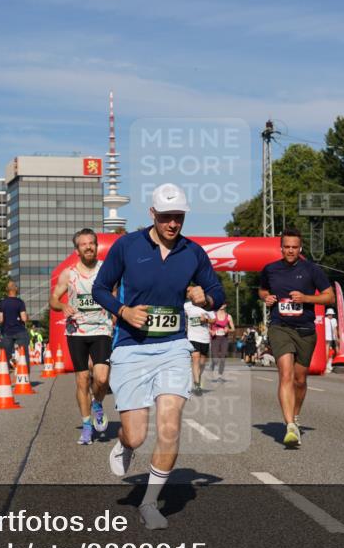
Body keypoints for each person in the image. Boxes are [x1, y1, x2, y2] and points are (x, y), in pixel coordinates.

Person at [92, 183, 225, 529]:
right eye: (166, 217)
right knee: (136, 435)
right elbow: (99, 289)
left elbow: (217, 292)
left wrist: (205, 298)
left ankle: (150, 503)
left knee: (170, 426)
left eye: (178, 217)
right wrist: (123, 311)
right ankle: (125, 445)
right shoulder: (127, 246)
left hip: (173, 347)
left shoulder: (193, 252)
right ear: (152, 214)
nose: (172, 224)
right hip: (132, 348)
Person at [259, 228, 334, 447]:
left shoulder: (311, 269)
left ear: (300, 248)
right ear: (280, 248)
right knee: (285, 374)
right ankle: (290, 425)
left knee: (300, 380)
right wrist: (267, 297)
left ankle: (296, 415)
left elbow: (328, 297)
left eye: (294, 247)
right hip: (280, 327)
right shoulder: (270, 269)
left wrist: (306, 298)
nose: (290, 251)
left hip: (305, 330)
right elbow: (262, 290)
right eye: (287, 247)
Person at [50, 228, 115, 445]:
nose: (88, 247)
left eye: (91, 243)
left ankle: (97, 403)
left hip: (102, 328)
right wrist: (62, 305)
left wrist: (115, 314)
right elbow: (53, 299)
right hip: (76, 330)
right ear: (77, 249)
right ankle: (86, 426)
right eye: (84, 244)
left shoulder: (107, 270)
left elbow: (113, 294)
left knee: (102, 378)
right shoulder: (68, 274)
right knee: (82, 379)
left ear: (96, 247)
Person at [184, 297, 215, 394]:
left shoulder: (207, 306)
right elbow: (180, 313)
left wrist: (205, 320)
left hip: (204, 337)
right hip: (193, 336)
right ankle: (197, 383)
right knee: (195, 358)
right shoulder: (187, 305)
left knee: (202, 362)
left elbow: (213, 320)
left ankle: (198, 376)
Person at [0, 282, 29, 362]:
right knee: (24, 354)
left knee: (6, 355)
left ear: (7, 290)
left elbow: (1, 319)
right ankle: (25, 372)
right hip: (20, 331)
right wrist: (27, 317)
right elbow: (24, 318)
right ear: (16, 290)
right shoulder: (20, 302)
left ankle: (5, 371)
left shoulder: (3, 303)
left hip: (7, 331)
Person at [208, 305, 235, 380]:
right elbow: (207, 326)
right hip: (215, 338)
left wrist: (228, 329)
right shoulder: (213, 315)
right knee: (215, 358)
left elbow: (233, 329)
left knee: (223, 357)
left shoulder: (228, 316)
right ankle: (213, 365)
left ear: (225, 305)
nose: (221, 305)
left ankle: (220, 374)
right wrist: (211, 331)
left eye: (223, 303)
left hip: (224, 338)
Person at [324, 308, 337, 373]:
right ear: (327, 314)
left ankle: (329, 365)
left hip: (331, 338)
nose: (331, 316)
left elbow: (335, 329)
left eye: (332, 314)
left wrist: (336, 338)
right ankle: (326, 366)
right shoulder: (324, 319)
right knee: (326, 352)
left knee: (330, 352)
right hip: (325, 338)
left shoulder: (334, 320)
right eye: (329, 314)